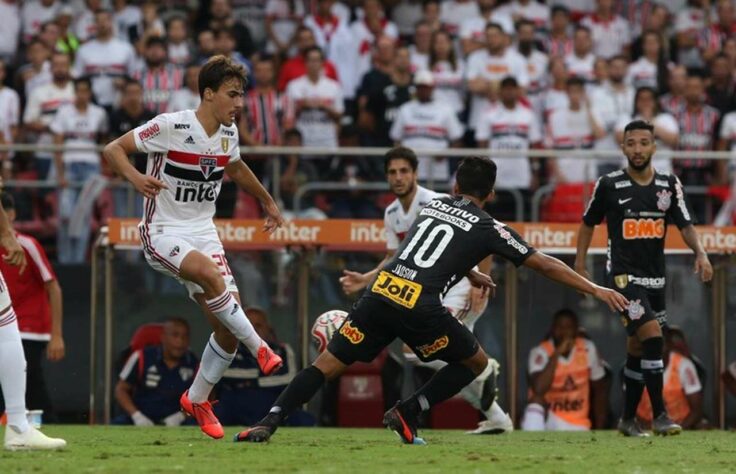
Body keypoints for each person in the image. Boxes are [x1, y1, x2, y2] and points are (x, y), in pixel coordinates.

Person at [235, 155, 628, 445]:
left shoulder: (434, 205)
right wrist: (595, 288)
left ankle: (268, 421)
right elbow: (542, 263)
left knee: (327, 364)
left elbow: (420, 248)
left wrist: (469, 270)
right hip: (420, 305)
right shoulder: (490, 226)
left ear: (455, 187)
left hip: (382, 292)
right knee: (474, 362)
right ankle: (410, 410)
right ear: (490, 194)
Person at [102, 55, 286, 440]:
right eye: (233, 95)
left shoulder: (228, 133)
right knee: (208, 274)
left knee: (225, 330)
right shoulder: (171, 125)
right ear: (208, 93)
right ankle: (262, 348)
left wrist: (268, 200)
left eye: (242, 95)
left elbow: (234, 167)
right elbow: (113, 149)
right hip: (162, 230)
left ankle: (197, 398)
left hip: (203, 230)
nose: (240, 103)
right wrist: (136, 177)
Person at [339, 146, 513, 434]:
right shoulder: (392, 213)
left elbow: (483, 237)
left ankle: (487, 376)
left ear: (416, 174)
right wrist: (365, 279)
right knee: (434, 356)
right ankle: (496, 415)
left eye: (404, 171)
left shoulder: (437, 201)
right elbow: (393, 258)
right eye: (392, 172)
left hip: (459, 287)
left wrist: (480, 278)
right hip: (425, 294)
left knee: (424, 350)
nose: (398, 177)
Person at [575, 119, 713, 437]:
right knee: (652, 337)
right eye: (631, 143)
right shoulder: (608, 184)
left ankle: (626, 419)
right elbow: (587, 224)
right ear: (623, 147)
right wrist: (580, 265)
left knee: (638, 348)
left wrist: (702, 253)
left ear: (654, 146)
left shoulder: (668, 185)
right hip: (623, 278)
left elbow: (686, 225)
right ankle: (661, 415)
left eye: (643, 143)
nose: (637, 149)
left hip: (655, 279)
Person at [0, 196, 66, 450]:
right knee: (6, 325)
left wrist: (55, 333)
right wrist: (6, 235)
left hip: (35, 329)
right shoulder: (20, 241)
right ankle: (18, 426)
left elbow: (53, 286)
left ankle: (19, 425)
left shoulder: (30, 244)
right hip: (24, 327)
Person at [521, 309, 608, 431]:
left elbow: (600, 390)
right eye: (559, 327)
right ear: (552, 329)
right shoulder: (540, 352)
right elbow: (538, 389)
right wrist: (556, 354)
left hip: (579, 424)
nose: (564, 332)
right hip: (550, 420)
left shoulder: (587, 348)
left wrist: (599, 429)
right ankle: (530, 445)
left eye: (568, 327)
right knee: (536, 400)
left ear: (576, 330)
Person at [215, 307, 301, 426]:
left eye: (258, 325)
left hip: (273, 402)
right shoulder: (230, 350)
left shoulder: (283, 350)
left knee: (305, 419)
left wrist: (253, 382)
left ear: (268, 328)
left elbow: (290, 378)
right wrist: (262, 373)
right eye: (249, 325)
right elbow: (224, 374)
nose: (254, 330)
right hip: (237, 402)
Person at [114, 318, 198, 426]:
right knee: (116, 425)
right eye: (175, 335)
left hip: (178, 422)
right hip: (141, 419)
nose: (180, 341)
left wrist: (181, 416)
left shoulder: (194, 363)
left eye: (185, 336)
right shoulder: (141, 357)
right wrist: (136, 416)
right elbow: (120, 390)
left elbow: (207, 396)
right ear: (163, 337)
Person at [389, 70, 463, 182]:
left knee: (437, 199)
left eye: (426, 87)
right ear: (416, 88)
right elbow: (396, 140)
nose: (423, 90)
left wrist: (445, 154)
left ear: (432, 88)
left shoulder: (445, 110)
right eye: (420, 87)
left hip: (437, 171)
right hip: (409, 172)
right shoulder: (405, 109)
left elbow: (457, 140)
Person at [636, 327, 704, 430]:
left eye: (661, 343)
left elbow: (697, 411)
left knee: (704, 425)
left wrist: (677, 429)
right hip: (647, 428)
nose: (657, 348)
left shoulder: (684, 365)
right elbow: (629, 408)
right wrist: (648, 428)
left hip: (681, 425)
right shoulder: (636, 366)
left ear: (670, 344)